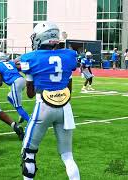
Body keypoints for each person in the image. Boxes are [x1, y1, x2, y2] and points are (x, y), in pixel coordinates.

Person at [20, 22, 80, 180]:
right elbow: (69, 87)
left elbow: (30, 94)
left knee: (29, 154)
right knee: (68, 156)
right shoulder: (69, 55)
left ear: (41, 37)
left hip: (43, 106)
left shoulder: (30, 58)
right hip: (65, 108)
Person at [0, 52, 29, 123]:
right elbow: (20, 68)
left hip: (15, 83)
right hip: (22, 80)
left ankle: (30, 121)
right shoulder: (11, 63)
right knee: (9, 96)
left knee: (18, 106)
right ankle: (21, 114)